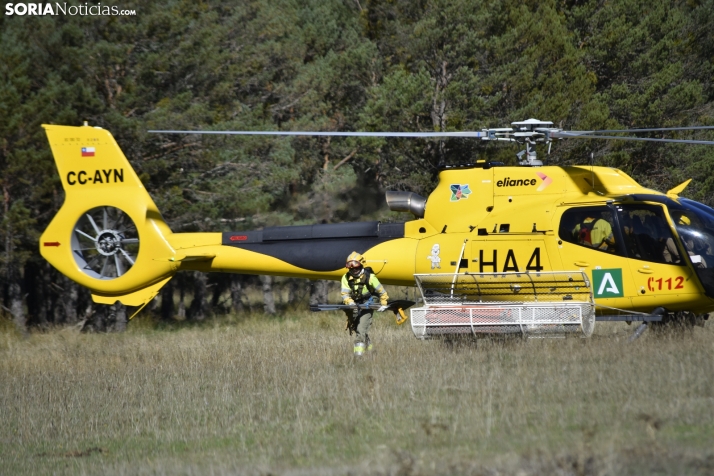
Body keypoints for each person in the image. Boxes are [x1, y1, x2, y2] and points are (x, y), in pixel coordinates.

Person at [340, 251, 389, 357]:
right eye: (351, 267)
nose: (354, 270)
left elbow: (382, 292)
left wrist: (384, 303)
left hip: (369, 303)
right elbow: (344, 294)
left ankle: (358, 357)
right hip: (355, 304)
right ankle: (370, 350)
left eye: (356, 267)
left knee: (361, 329)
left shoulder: (370, 277)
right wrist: (351, 303)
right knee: (357, 328)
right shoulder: (346, 278)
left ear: (361, 265)